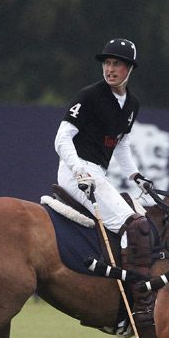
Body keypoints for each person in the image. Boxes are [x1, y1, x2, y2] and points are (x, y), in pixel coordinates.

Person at [54, 38, 152, 239]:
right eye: (106, 63)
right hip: (76, 172)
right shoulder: (89, 95)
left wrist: (135, 176)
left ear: (130, 68)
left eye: (116, 64)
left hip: (98, 174)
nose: (110, 69)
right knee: (134, 227)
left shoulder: (132, 104)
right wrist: (78, 171)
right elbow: (62, 138)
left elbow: (121, 143)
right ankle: (128, 272)